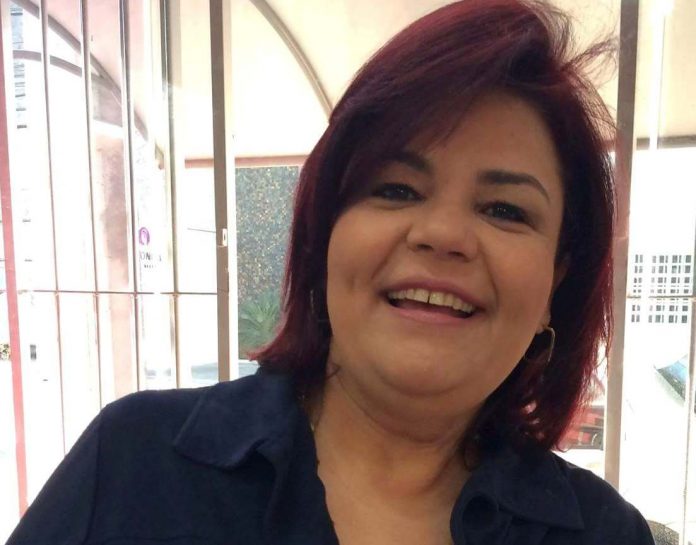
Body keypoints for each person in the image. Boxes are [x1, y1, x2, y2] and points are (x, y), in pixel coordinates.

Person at [7, 1, 656, 544]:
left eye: (505, 209)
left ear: (555, 286)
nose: (443, 234)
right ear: (323, 237)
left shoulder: (604, 534)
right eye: (396, 189)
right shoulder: (133, 464)